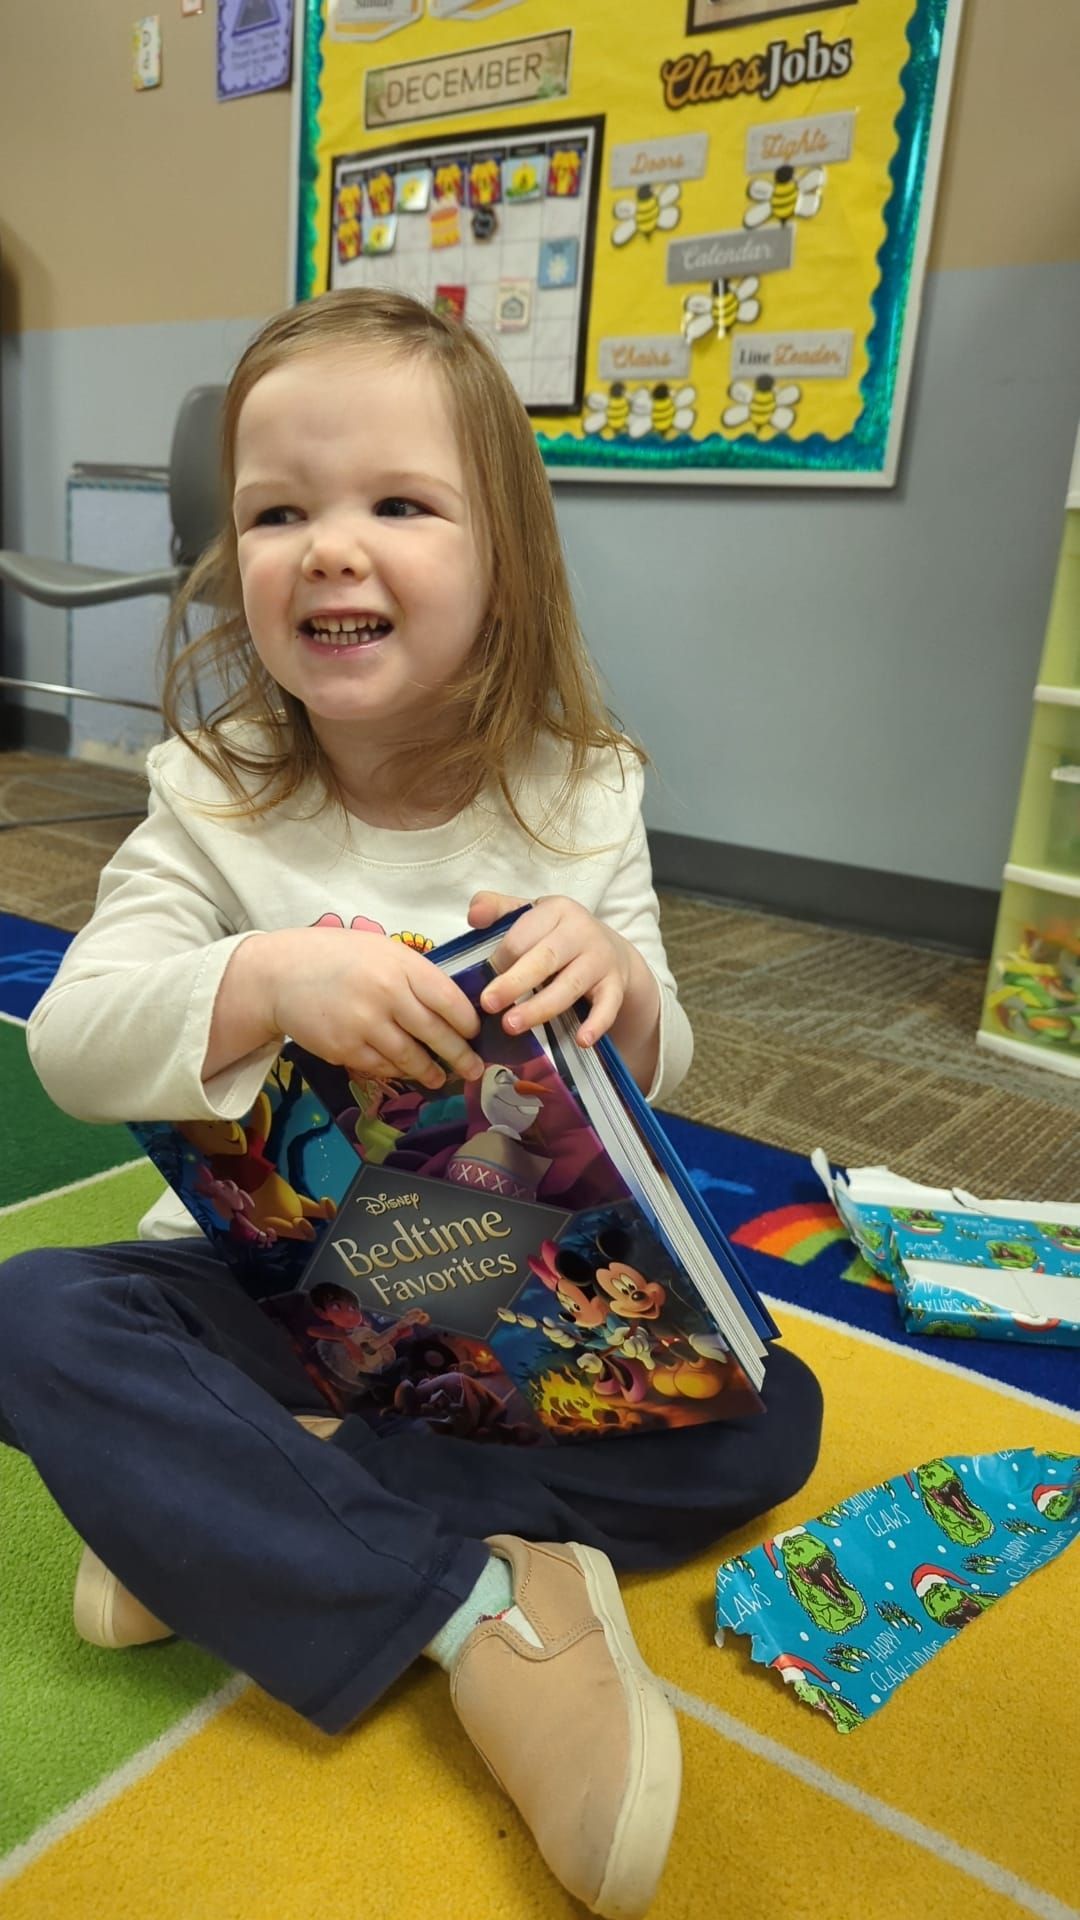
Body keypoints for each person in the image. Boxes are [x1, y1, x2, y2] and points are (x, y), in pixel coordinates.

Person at [0, 291, 822, 1918]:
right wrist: (260, 978)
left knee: (770, 1417)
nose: (329, 549)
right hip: (274, 1296)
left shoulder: (583, 790)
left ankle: (234, 1509)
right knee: (36, 1314)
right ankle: (473, 1613)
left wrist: (620, 984)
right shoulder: (209, 791)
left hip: (524, 1317)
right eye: (277, 512)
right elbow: (75, 1042)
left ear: (501, 551)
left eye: (398, 504)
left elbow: (660, 1067)